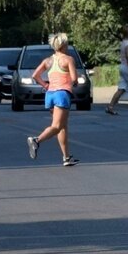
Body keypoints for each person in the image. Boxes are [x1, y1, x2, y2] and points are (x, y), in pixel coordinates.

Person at [25, 33, 80, 167]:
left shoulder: (48, 60)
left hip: (50, 94)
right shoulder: (68, 59)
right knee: (57, 126)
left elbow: (35, 75)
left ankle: (66, 157)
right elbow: (74, 79)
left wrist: (45, 85)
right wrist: (74, 83)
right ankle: (36, 140)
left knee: (62, 126)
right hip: (62, 94)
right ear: (64, 45)